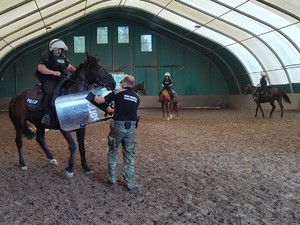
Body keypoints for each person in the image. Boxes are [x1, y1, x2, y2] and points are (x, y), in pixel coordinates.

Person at [94, 75, 140, 193]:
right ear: (132, 84)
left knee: (113, 152)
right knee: (129, 156)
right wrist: (113, 110)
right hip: (131, 128)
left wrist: (94, 97)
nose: (120, 84)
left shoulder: (118, 92)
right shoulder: (136, 97)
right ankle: (130, 183)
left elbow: (100, 100)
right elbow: (125, 109)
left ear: (124, 83)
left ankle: (112, 178)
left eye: (121, 83)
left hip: (118, 126)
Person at [37, 39, 76, 125]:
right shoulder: (46, 56)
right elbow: (40, 68)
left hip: (61, 79)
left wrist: (77, 72)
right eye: (57, 49)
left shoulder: (63, 57)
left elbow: (69, 67)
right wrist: (54, 73)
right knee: (51, 92)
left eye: (60, 49)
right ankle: (46, 115)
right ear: (52, 48)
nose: (58, 51)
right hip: (49, 80)